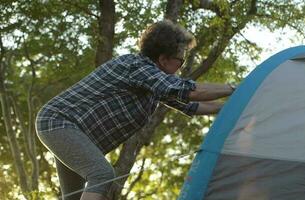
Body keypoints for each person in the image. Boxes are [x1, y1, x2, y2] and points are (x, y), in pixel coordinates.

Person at [35, 20, 236, 200]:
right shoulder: (138, 66)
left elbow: (192, 106)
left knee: (75, 196)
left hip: (78, 136)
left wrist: (232, 107)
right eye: (180, 61)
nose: (181, 67)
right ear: (164, 58)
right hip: (59, 122)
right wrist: (234, 89)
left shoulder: (155, 83)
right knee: (102, 175)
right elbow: (191, 92)